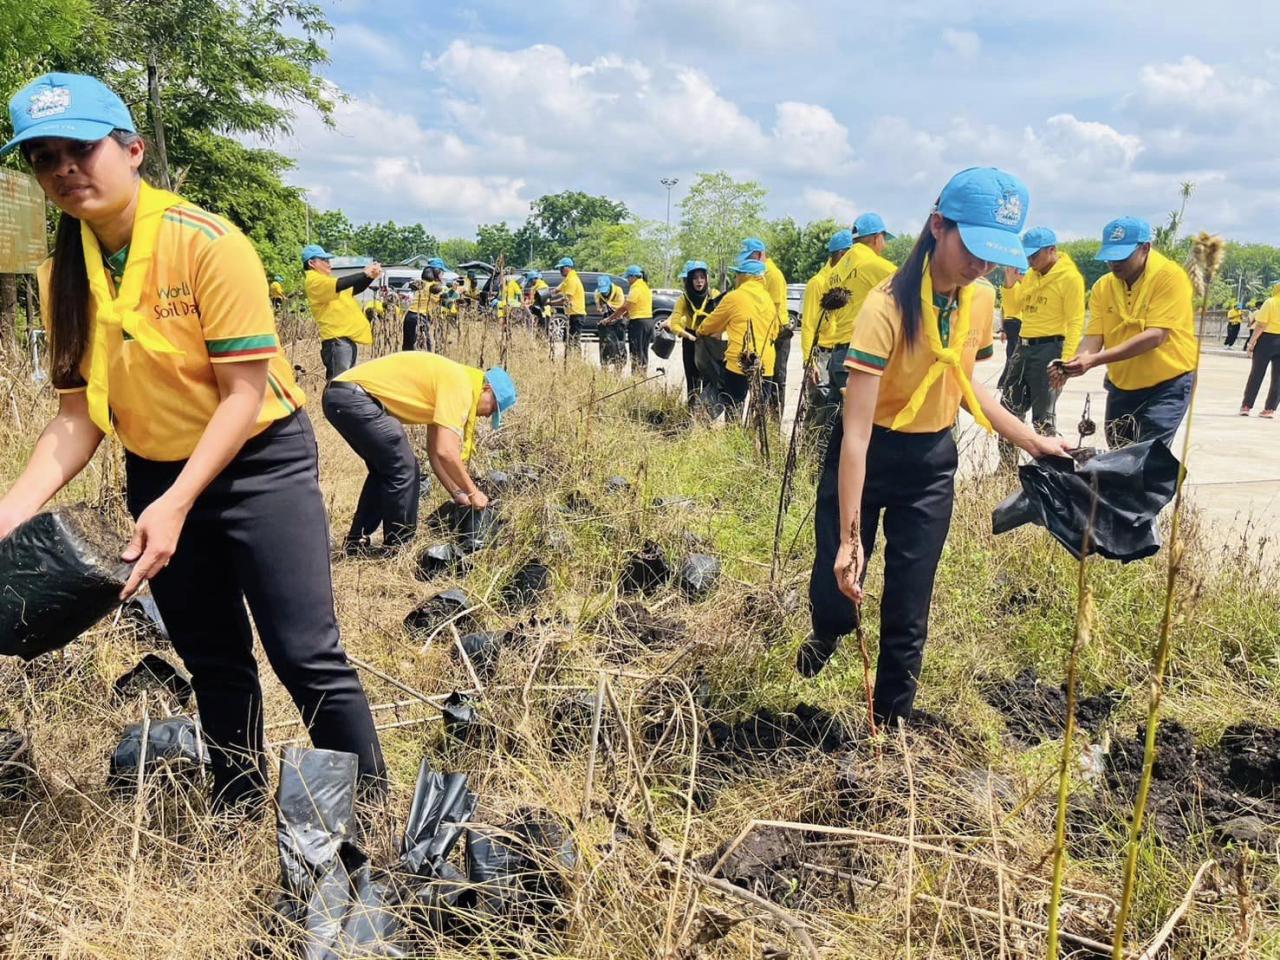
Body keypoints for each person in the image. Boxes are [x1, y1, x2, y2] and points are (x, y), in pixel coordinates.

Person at [0, 72, 385, 810]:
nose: (63, 169)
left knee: (305, 653)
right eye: (43, 157)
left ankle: (370, 815)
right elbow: (77, 414)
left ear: (133, 149)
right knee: (212, 656)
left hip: (257, 466)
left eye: (80, 148)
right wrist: (13, 509)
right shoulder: (61, 276)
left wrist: (179, 501)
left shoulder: (208, 243)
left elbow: (242, 394)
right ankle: (236, 810)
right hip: (154, 470)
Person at [797, 168, 1071, 726]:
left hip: (929, 464)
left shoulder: (979, 299)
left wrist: (1032, 440)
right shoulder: (886, 307)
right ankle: (827, 634)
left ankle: (890, 728)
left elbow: (967, 389)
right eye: (972, 247)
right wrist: (851, 539)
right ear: (937, 225)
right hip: (867, 456)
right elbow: (855, 431)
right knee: (839, 587)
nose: (981, 265)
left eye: (994, 253)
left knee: (908, 605)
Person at [323, 353, 517, 553]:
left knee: (387, 468)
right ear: (486, 389)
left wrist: (457, 493)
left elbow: (435, 453)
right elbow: (447, 451)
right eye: (493, 408)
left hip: (341, 397)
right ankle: (398, 547)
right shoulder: (461, 386)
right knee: (404, 467)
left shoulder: (454, 382)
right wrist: (473, 492)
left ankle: (357, 541)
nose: (487, 415)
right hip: (353, 398)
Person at [1050, 217, 1197, 448]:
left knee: (1149, 457)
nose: (1114, 263)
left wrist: (1096, 360)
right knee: (1118, 456)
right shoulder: (1103, 286)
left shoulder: (1169, 277)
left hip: (1167, 384)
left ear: (1145, 248)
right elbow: (1095, 336)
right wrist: (1075, 363)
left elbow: (1156, 335)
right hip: (1122, 385)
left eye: (1122, 257)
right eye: (1110, 256)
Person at [997, 226, 1085, 465]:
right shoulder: (1032, 276)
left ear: (1052, 250)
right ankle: (1005, 469)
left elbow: (1076, 321)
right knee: (1008, 410)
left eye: (1035, 255)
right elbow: (1015, 310)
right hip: (1023, 348)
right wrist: (1009, 284)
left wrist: (1064, 363)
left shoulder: (1070, 278)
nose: (1031, 260)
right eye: (1028, 255)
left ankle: (1046, 472)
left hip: (1050, 349)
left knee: (1043, 417)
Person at [805, 216, 898, 429]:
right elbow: (909, 298)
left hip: (838, 357)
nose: (884, 246)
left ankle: (822, 463)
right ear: (876, 238)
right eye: (884, 239)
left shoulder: (834, 273)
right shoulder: (877, 266)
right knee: (862, 429)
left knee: (835, 430)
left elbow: (827, 317)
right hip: (862, 357)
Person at [698, 256, 777, 418]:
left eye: (737, 274)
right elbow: (774, 331)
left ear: (745, 276)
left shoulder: (734, 297)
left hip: (740, 362)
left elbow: (710, 324)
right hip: (765, 363)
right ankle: (757, 443)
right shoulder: (768, 299)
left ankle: (733, 442)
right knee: (760, 416)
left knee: (734, 408)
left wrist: (701, 330)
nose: (735, 278)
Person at [303, 245, 378, 380]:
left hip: (343, 341)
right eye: (324, 260)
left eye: (329, 260)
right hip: (336, 341)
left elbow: (352, 289)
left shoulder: (326, 283)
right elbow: (340, 284)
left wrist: (369, 277)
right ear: (311, 263)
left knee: (344, 384)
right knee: (339, 383)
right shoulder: (314, 281)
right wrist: (364, 274)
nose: (328, 263)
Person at [740, 238, 789, 413]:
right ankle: (760, 418)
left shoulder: (772, 275)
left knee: (776, 379)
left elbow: (774, 310)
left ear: (760, 255)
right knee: (761, 378)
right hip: (763, 333)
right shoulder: (756, 273)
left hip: (777, 334)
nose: (747, 261)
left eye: (750, 257)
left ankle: (773, 423)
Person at [666, 260, 721, 407]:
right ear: (689, 280)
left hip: (709, 341)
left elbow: (724, 316)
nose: (699, 281)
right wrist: (688, 336)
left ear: (707, 278)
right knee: (693, 380)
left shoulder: (714, 294)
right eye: (695, 278)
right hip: (690, 340)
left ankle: (706, 415)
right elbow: (675, 324)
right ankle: (692, 414)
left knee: (710, 380)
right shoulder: (683, 298)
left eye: (702, 277)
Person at [1241, 292, 1280, 417]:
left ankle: (1246, 406)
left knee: (1256, 374)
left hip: (1266, 340)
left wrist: (1251, 343)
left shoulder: (1271, 302)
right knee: (1278, 378)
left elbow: (1261, 324)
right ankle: (1270, 409)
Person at [404, 257, 447, 352]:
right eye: (442, 272)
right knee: (424, 350)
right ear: (437, 272)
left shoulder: (422, 283)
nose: (443, 275)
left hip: (409, 316)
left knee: (408, 349)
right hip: (420, 318)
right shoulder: (434, 287)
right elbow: (443, 301)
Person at [621, 265, 654, 375]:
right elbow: (633, 307)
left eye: (628, 278)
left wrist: (612, 317)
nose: (628, 281)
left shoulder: (635, 287)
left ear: (633, 277)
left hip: (638, 323)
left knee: (636, 351)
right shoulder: (645, 286)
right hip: (648, 322)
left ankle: (636, 377)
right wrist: (624, 316)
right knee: (643, 351)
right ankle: (642, 375)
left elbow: (626, 306)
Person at [549, 256, 586, 347]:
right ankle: (570, 359)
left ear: (567, 267)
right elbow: (556, 290)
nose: (560, 270)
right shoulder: (567, 279)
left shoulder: (572, 280)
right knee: (567, 339)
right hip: (570, 314)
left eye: (561, 268)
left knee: (573, 341)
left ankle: (575, 359)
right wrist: (546, 295)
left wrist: (550, 303)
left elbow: (565, 300)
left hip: (576, 314)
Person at [595, 274, 628, 369]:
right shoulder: (598, 293)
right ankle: (604, 366)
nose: (605, 293)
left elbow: (621, 308)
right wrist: (603, 310)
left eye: (606, 290)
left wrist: (611, 318)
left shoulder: (618, 291)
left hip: (618, 321)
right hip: (606, 323)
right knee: (605, 346)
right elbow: (599, 309)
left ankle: (619, 367)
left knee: (618, 345)